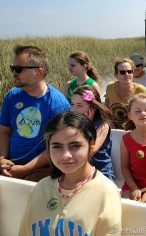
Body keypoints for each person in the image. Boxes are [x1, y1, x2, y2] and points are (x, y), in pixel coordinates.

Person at [18, 111, 122, 236]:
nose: (65, 155)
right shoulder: (41, 188)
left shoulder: (106, 191)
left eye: (75, 146)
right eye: (57, 146)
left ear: (91, 146)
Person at [0, 45, 70, 181]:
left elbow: (57, 145)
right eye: (12, 68)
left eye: (18, 69)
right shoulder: (12, 95)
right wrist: (2, 158)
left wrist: (26, 169)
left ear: (38, 72)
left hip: (42, 167)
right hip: (10, 161)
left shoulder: (57, 103)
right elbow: (4, 131)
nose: (14, 72)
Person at [120, 93, 146, 203]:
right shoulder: (125, 139)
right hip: (132, 183)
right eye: (138, 111)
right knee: (125, 205)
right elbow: (124, 167)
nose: (143, 113)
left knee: (144, 205)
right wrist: (134, 187)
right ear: (130, 115)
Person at [71, 85, 115, 180]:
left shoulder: (103, 126)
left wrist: (88, 124)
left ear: (93, 107)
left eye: (79, 105)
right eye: (72, 104)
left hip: (101, 171)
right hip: (79, 169)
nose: (74, 109)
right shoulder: (72, 124)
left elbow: (91, 150)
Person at [105, 57, 146, 129]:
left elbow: (145, 114)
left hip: (134, 128)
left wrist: (131, 125)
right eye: (122, 72)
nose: (127, 74)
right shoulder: (110, 88)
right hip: (113, 128)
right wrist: (110, 124)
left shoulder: (141, 90)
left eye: (129, 71)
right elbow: (106, 109)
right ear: (116, 75)